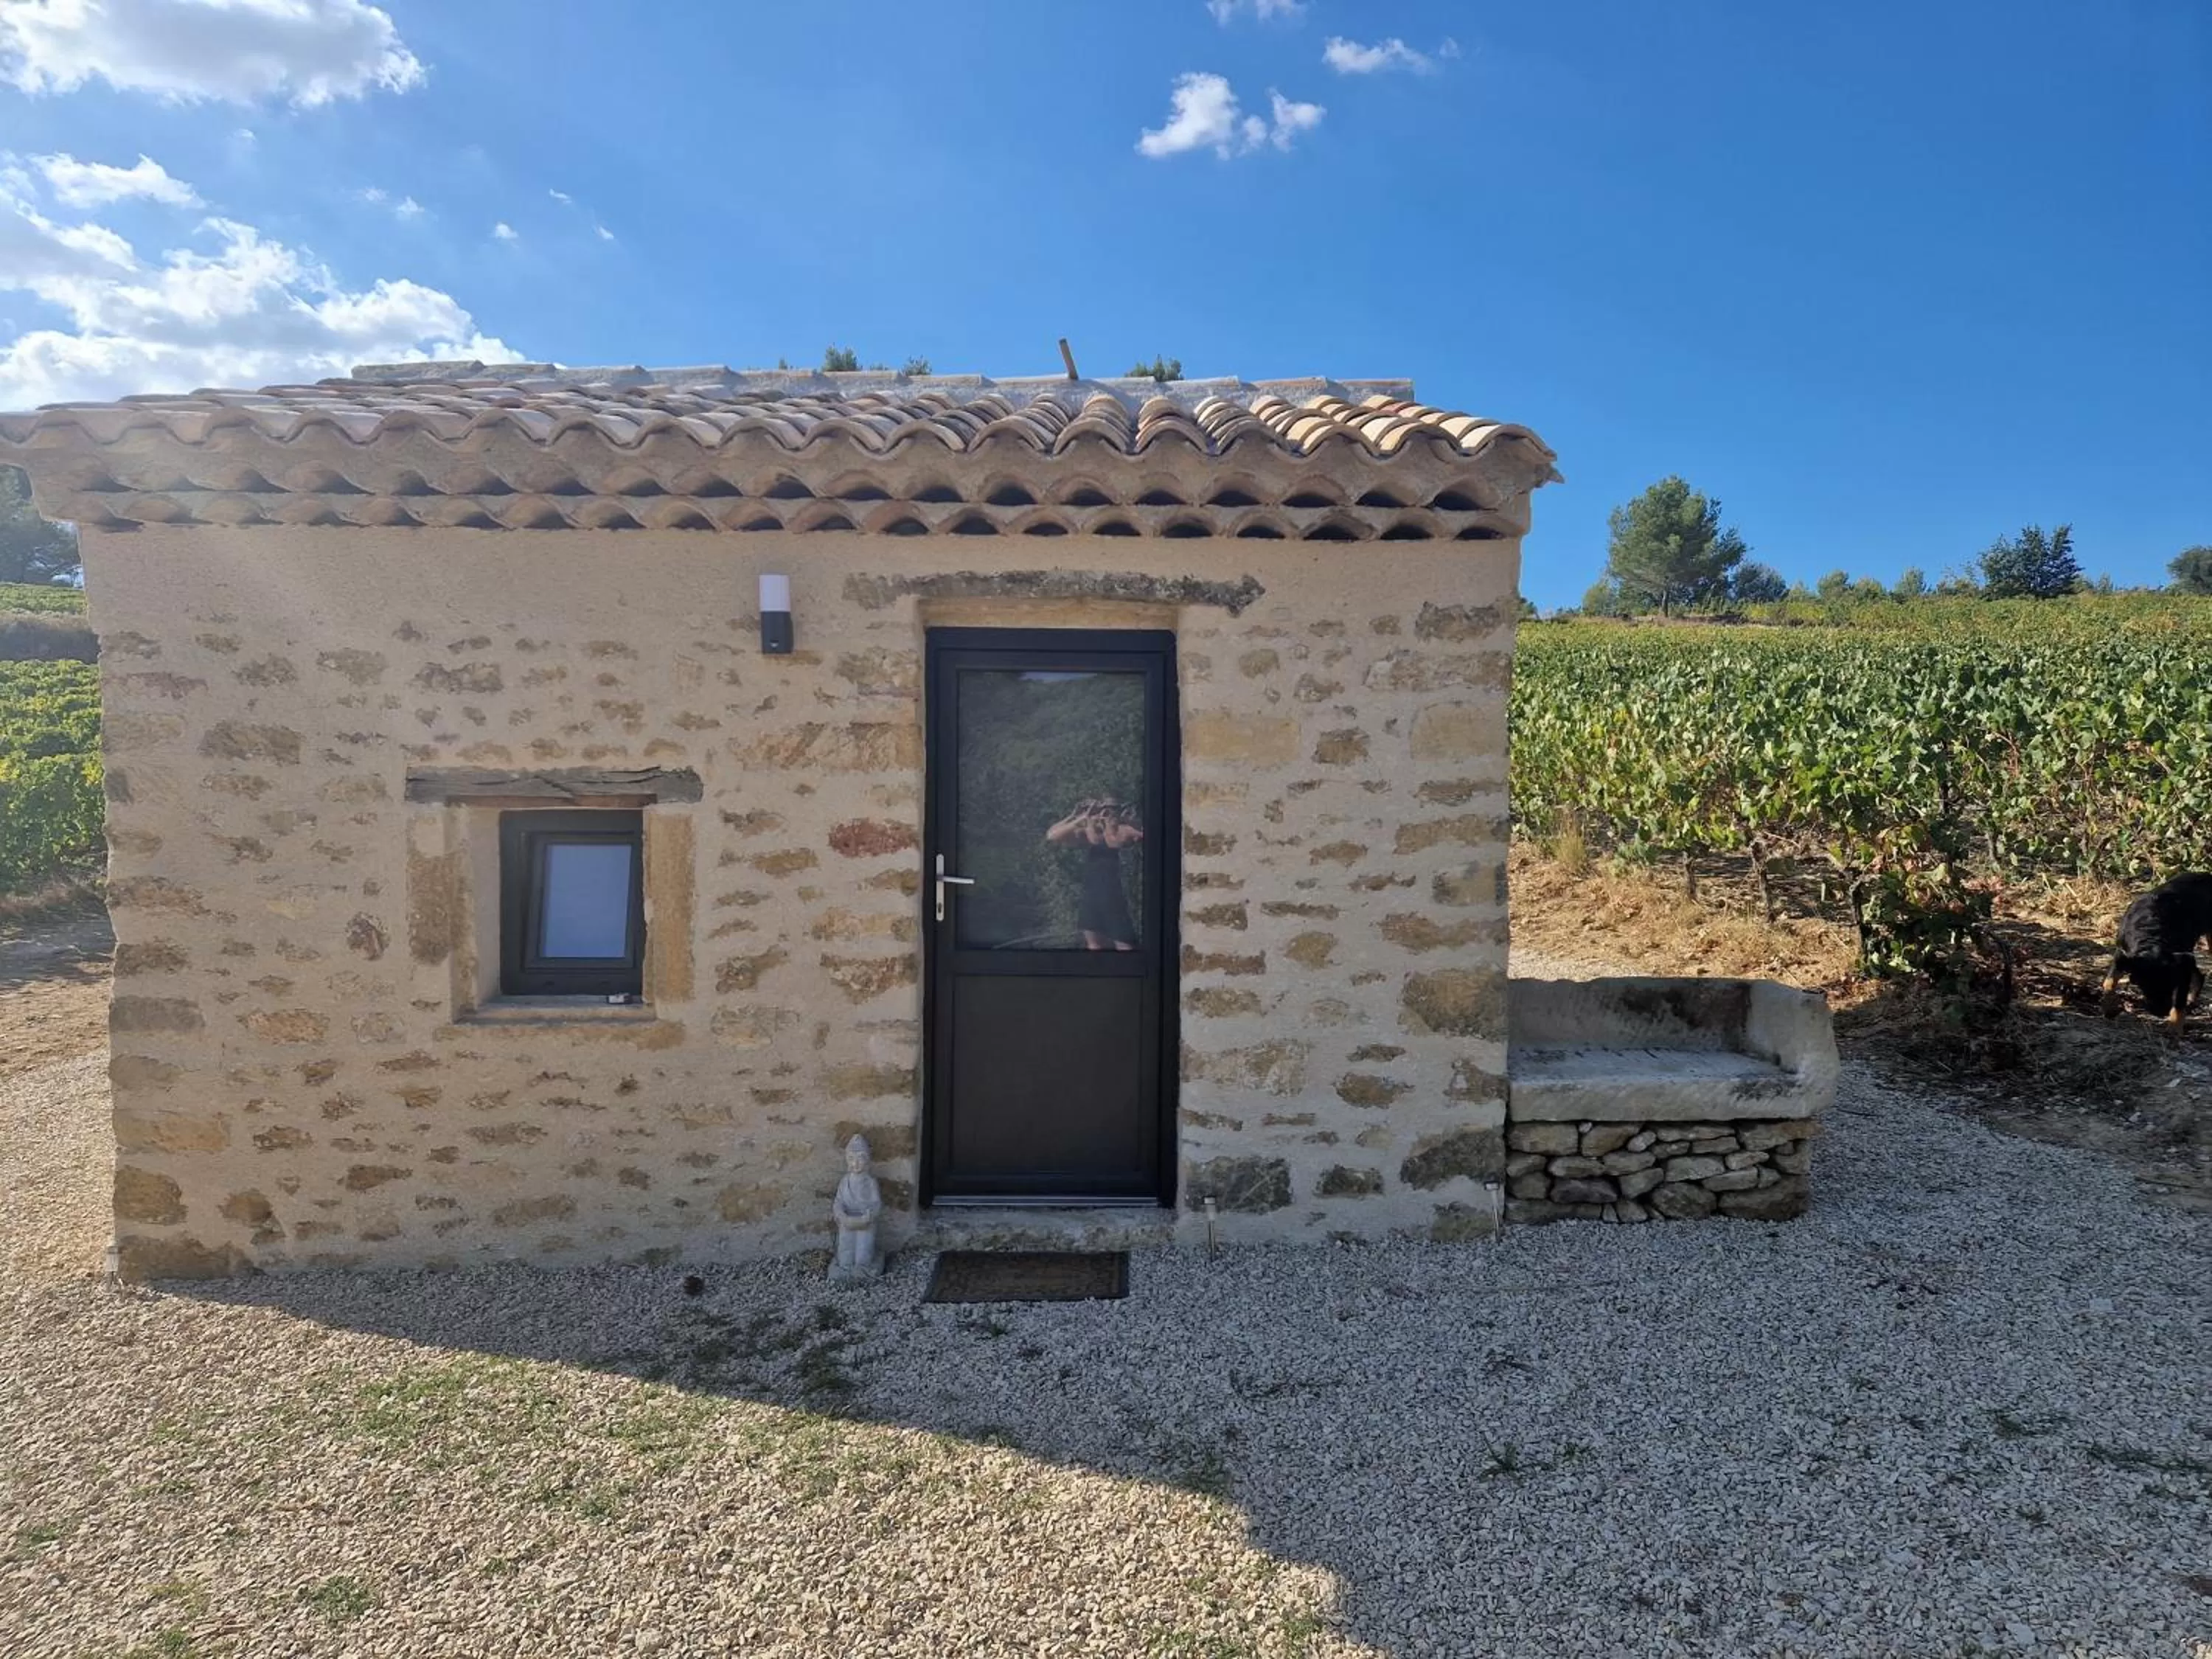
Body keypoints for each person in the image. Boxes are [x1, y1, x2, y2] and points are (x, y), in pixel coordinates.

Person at [1046, 796, 1143, 950]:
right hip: (1092, 894)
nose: (1107, 812)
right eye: (1104, 808)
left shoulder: (1125, 829)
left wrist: (1122, 821)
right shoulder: (1088, 831)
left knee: (1125, 944)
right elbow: (1052, 835)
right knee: (1095, 944)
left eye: (1112, 809)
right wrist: (1075, 817)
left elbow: (1113, 842)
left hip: (1116, 894)